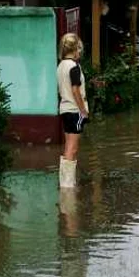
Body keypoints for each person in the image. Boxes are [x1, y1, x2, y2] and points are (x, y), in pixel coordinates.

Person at [57, 33, 89, 188]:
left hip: (65, 110)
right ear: (76, 48)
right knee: (73, 148)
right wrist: (83, 110)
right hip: (75, 111)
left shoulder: (61, 65)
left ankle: (65, 182)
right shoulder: (74, 67)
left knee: (68, 146)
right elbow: (76, 91)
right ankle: (68, 186)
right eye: (79, 48)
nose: (80, 51)